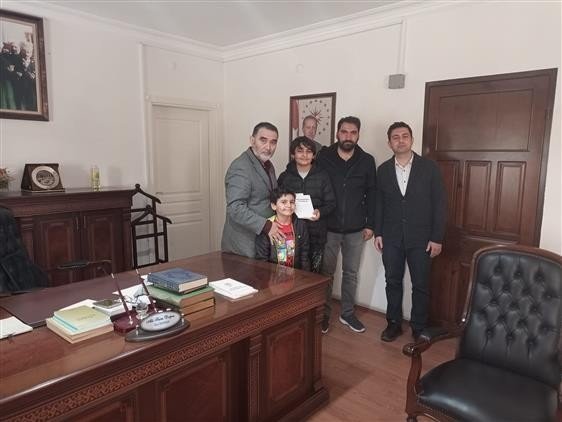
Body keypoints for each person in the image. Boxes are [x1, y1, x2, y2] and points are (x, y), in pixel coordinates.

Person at [374, 121, 446, 342]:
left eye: (405, 136)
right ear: (389, 143)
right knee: (392, 281)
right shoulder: (383, 170)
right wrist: (378, 233)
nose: (401, 140)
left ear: (412, 139)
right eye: (395, 137)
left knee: (421, 285)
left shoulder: (429, 168)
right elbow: (379, 204)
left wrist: (437, 237)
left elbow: (440, 204)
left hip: (422, 238)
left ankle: (418, 327)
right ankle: (393, 324)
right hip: (391, 237)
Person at [316, 116, 377, 334]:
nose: (348, 136)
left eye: (353, 132)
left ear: (358, 135)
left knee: (351, 273)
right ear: (337, 134)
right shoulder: (324, 157)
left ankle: (347, 313)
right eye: (344, 132)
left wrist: (371, 224)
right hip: (328, 227)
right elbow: (315, 186)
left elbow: (372, 194)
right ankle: (323, 314)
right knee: (326, 273)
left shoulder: (366, 160)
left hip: (355, 228)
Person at [222, 122, 283, 258]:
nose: (268, 147)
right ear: (252, 140)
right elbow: (235, 208)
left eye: (273, 142)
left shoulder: (268, 165)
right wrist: (266, 226)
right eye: (263, 140)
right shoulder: (241, 166)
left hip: (261, 242)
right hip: (243, 244)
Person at [278, 136, 336, 272]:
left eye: (309, 151)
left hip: (316, 234)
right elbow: (277, 202)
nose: (304, 155)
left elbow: (331, 203)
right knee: (288, 271)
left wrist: (320, 212)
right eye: (300, 151)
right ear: (293, 154)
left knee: (314, 274)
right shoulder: (285, 177)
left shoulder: (323, 176)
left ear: (314, 155)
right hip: (290, 234)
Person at [255, 187, 310, 270]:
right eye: (284, 202)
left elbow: (304, 254)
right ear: (274, 206)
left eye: (292, 202)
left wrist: (305, 275)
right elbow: (262, 259)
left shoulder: (301, 225)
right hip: (272, 275)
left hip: (296, 274)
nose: (289, 205)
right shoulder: (267, 227)